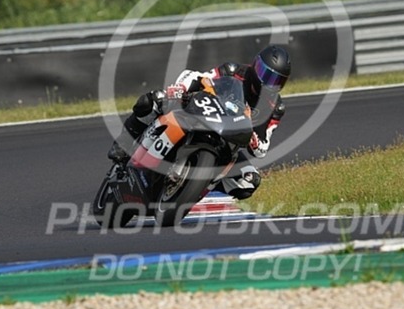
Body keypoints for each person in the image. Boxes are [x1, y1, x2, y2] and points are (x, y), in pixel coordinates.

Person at [108, 45, 291, 200]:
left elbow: (263, 147)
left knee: (250, 180)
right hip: (202, 114)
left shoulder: (276, 107)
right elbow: (198, 76)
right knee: (152, 100)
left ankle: (198, 185)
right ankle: (123, 144)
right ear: (256, 66)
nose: (270, 83)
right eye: (266, 75)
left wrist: (255, 142)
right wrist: (180, 89)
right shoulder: (233, 70)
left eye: (277, 81)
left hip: (228, 143)